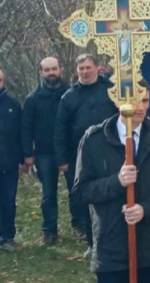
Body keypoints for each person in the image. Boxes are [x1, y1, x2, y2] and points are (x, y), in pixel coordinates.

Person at [73, 79, 150, 283]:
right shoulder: (94, 139)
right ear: (118, 101)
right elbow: (81, 191)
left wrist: (145, 209)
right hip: (111, 245)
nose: (140, 108)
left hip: (149, 247)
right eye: (135, 101)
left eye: (145, 101)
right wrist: (117, 181)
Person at [54, 54, 118, 256]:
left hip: (111, 151)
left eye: (88, 67)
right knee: (87, 199)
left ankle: (115, 240)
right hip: (80, 156)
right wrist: (62, 159)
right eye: (81, 68)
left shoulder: (111, 89)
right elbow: (60, 129)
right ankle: (93, 243)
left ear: (97, 68)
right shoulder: (69, 96)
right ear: (76, 70)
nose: (84, 71)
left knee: (113, 195)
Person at [21, 57, 71, 246]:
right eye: (47, 70)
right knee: (48, 194)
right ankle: (49, 231)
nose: (51, 73)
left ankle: (80, 224)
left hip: (69, 151)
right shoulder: (32, 99)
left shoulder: (71, 93)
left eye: (54, 69)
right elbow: (26, 128)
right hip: (44, 153)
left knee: (76, 190)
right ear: (40, 73)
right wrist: (28, 154)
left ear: (61, 70)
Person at [0, 68, 22, 252]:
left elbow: (20, 134)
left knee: (8, 201)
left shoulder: (13, 105)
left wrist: (23, 159)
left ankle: (7, 237)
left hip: (8, 163)